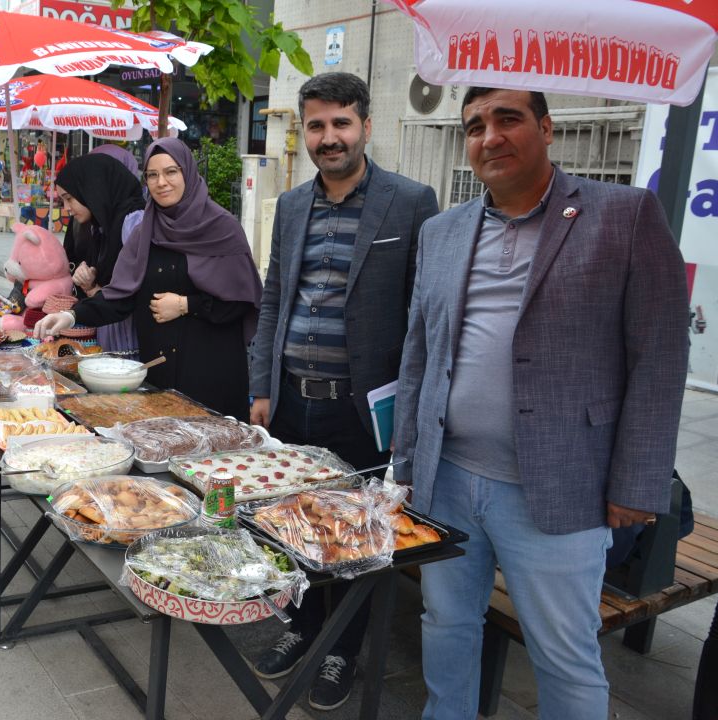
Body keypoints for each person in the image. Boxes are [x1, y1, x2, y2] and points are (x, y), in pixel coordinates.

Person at [393, 87, 689, 719]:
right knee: (446, 623)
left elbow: (660, 357)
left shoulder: (624, 214)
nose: (490, 137)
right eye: (475, 126)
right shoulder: (441, 231)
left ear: (548, 127)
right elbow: (420, 351)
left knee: (563, 651)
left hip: (559, 484)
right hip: (446, 478)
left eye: (508, 119)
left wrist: (638, 480)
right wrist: (407, 464)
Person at [247, 71, 440, 711]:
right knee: (296, 524)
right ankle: (302, 626)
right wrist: (262, 388)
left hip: (364, 411)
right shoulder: (295, 204)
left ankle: (341, 651)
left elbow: (422, 316)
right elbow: (275, 298)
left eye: (341, 123)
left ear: (365, 125)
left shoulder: (411, 202)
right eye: (316, 126)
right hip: (293, 400)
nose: (328, 138)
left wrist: (410, 413)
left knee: (354, 538)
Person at [35, 137, 261, 421]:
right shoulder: (145, 232)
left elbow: (242, 301)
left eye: (170, 172)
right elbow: (120, 296)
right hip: (161, 375)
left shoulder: (223, 229)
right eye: (152, 175)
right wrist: (71, 316)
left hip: (211, 377)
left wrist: (186, 305)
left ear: (188, 173)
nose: (161, 182)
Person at [55, 153, 145, 354]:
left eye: (69, 198)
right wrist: (91, 283)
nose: (67, 209)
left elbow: (134, 288)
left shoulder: (133, 222)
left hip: (134, 339)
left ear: (92, 188)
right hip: (111, 333)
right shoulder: (101, 226)